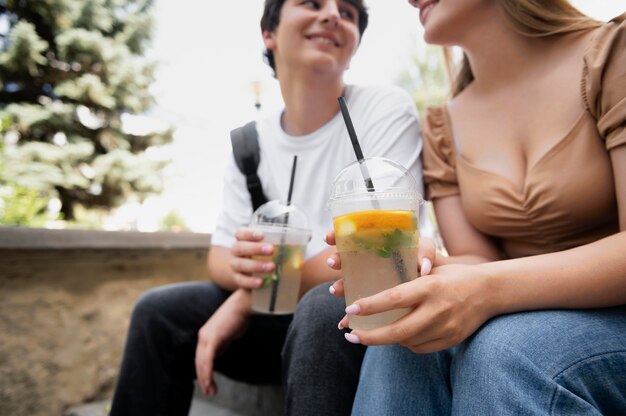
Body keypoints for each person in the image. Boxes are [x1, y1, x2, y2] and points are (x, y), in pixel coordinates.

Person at [109, 1, 434, 415]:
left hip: (350, 319)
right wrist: (247, 269)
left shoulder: (383, 109)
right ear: (269, 32)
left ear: (353, 48)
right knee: (158, 312)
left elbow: (384, 249)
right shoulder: (249, 142)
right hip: (270, 326)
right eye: (312, 3)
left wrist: (246, 298)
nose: (333, 14)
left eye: (348, 13)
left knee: (320, 307)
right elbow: (220, 257)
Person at [325, 0, 626, 414]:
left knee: (505, 352)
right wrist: (431, 265)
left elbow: (486, 281)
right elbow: (478, 261)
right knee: (405, 334)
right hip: (522, 317)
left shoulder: (614, 54)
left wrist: (486, 289)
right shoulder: (442, 127)